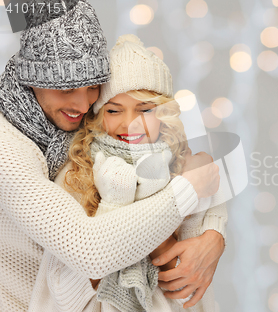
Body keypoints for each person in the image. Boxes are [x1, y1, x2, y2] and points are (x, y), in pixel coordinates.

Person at [0, 1, 226, 311]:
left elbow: (196, 166)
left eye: (93, 86)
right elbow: (89, 249)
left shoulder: (86, 131)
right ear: (31, 80)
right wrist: (188, 189)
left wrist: (212, 236)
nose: (82, 105)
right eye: (66, 89)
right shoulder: (7, 150)